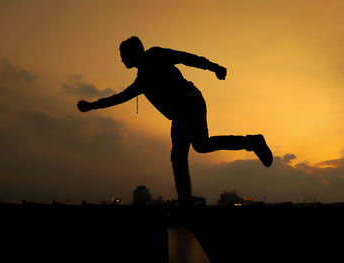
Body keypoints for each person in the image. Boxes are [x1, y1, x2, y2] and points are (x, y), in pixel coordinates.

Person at [77, 36, 273, 206]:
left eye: (123, 55)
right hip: (190, 103)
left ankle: (185, 202)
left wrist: (213, 67)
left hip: (188, 102)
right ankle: (252, 141)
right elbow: (119, 97)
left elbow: (185, 57)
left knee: (179, 156)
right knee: (201, 145)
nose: (121, 60)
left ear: (133, 53)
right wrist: (93, 105)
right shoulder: (141, 81)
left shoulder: (155, 55)